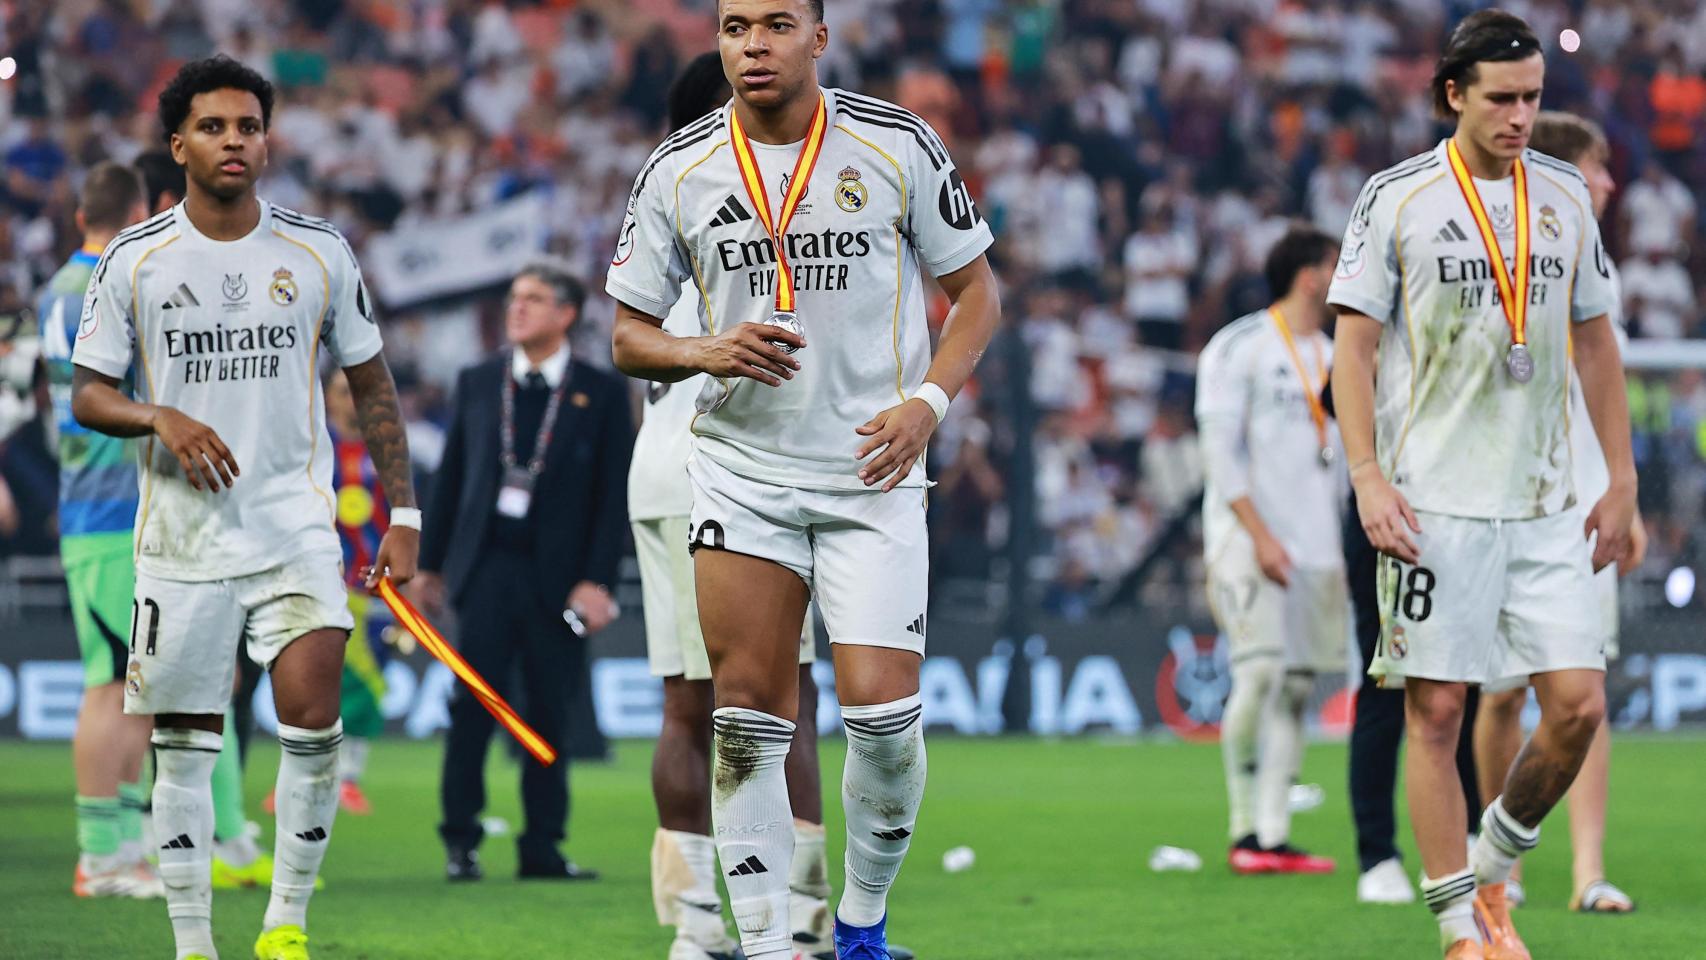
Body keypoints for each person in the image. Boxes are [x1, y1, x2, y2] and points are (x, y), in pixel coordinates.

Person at [608, 3, 1001, 957]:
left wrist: (931, 406)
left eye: (777, 23)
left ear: (819, 38)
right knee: (747, 719)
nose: (754, 44)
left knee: (882, 720)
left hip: (872, 469)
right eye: (735, 25)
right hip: (743, 472)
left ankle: (859, 925)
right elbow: (626, 336)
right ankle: (769, 947)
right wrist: (705, 348)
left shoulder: (896, 142)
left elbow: (979, 295)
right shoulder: (679, 169)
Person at [70, 55, 420, 960]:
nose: (236, 141)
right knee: (184, 741)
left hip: (293, 528)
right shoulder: (134, 260)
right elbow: (87, 394)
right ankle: (194, 942)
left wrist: (404, 516)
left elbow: (373, 387)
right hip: (180, 542)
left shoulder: (317, 250)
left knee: (313, 715)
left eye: (250, 126)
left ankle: (286, 924)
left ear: (268, 139)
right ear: (176, 142)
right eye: (216, 127)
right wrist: (159, 414)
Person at [1329, 12, 1635, 960]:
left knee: (1578, 704)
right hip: (1433, 501)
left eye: (1534, 98)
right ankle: (1462, 930)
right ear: (1452, 95)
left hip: (1545, 498)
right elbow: (1354, 345)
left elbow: (1594, 339)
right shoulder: (1398, 197)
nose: (1520, 116)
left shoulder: (1565, 196)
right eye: (1502, 99)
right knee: (1439, 711)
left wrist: (1620, 476)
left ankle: (1495, 858)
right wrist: (1367, 475)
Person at [1471, 110, 1646, 916]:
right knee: (1502, 694)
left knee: (1583, 692)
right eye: (1597, 167)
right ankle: (1501, 863)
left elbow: (1600, 381)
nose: (1608, 182)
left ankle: (1587, 870)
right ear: (1563, 176)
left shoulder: (1591, 259)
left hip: (1581, 513)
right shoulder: (1500, 254)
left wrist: (1621, 486)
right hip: (1504, 508)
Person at [417, 258, 629, 884]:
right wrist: (430, 567)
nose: (517, 308)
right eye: (514, 297)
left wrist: (598, 581)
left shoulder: (603, 389)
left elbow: (612, 494)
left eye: (534, 299)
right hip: (484, 572)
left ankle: (542, 846)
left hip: (559, 579)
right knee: (471, 708)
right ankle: (460, 842)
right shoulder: (479, 381)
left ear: (566, 314)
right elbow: (453, 477)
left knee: (550, 713)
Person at [1196, 224, 1345, 877]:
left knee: (1295, 688)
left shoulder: (1341, 354)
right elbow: (1219, 452)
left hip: (1320, 548)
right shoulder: (1241, 346)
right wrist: (1259, 535)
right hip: (1248, 541)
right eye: (1338, 265)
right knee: (1257, 673)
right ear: (1310, 274)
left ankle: (1275, 836)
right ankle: (1242, 829)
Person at [37, 160, 163, 899]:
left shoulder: (61, 287)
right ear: (140, 210)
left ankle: (123, 845)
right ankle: (100, 853)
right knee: (112, 685)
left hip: (99, 506)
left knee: (130, 684)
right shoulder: (107, 286)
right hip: (111, 511)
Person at [325, 368, 394, 816]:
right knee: (319, 682)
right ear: (328, 399)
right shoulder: (313, 449)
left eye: (357, 392)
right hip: (324, 582)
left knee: (370, 687)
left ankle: (349, 776)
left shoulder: (388, 450)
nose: (351, 401)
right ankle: (314, 773)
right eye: (342, 392)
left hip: (377, 590)